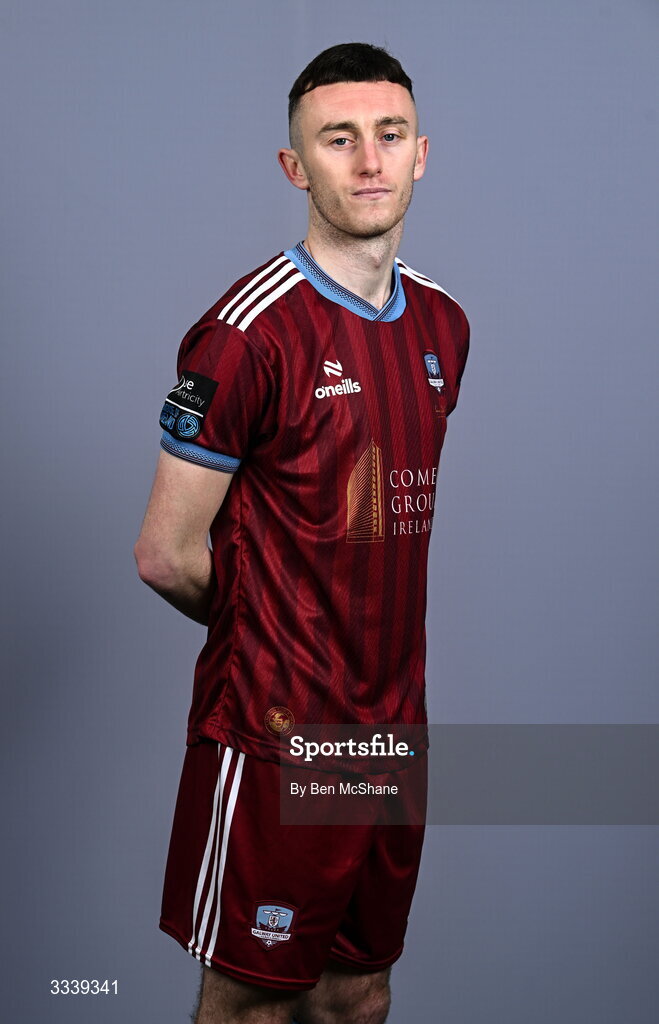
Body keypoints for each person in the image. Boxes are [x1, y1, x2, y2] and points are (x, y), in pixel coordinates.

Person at [134, 41, 470, 1024]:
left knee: (358, 995)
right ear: (296, 166)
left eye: (388, 135)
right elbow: (164, 553)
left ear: (420, 154)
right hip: (277, 737)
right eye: (338, 139)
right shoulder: (243, 335)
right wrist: (268, 634)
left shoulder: (443, 324)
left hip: (390, 736)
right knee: (250, 1005)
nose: (367, 160)